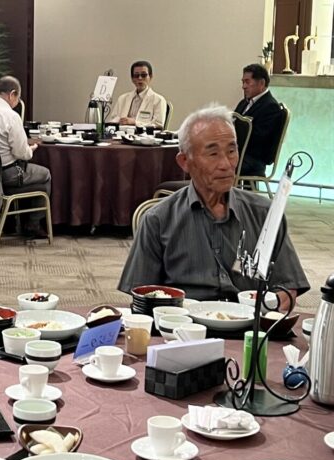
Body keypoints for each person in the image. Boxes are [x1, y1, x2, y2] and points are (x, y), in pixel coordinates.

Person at [118, 104, 309, 306]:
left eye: (232, 151)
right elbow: (142, 295)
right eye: (213, 154)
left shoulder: (264, 214)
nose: (226, 164)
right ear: (185, 161)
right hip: (184, 321)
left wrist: (268, 310)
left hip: (249, 321)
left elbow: (288, 287)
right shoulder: (158, 219)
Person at [0, 75, 51, 234]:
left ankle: (9, 223)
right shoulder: (10, 116)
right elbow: (21, 153)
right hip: (6, 175)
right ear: (12, 94)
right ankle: (33, 224)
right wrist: (30, 149)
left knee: (27, 174)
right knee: (44, 175)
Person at [234, 63, 284, 178]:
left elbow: (259, 139)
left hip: (253, 159)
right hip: (242, 154)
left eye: (247, 82)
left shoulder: (270, 106)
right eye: (243, 82)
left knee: (213, 162)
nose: (243, 86)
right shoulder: (244, 102)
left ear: (261, 83)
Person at [106, 60, 167, 128]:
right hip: (121, 133)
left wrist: (135, 122)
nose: (140, 78)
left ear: (150, 77)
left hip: (144, 134)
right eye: (136, 75)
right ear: (132, 79)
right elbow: (113, 120)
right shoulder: (122, 98)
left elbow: (158, 125)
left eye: (143, 75)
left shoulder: (159, 100)